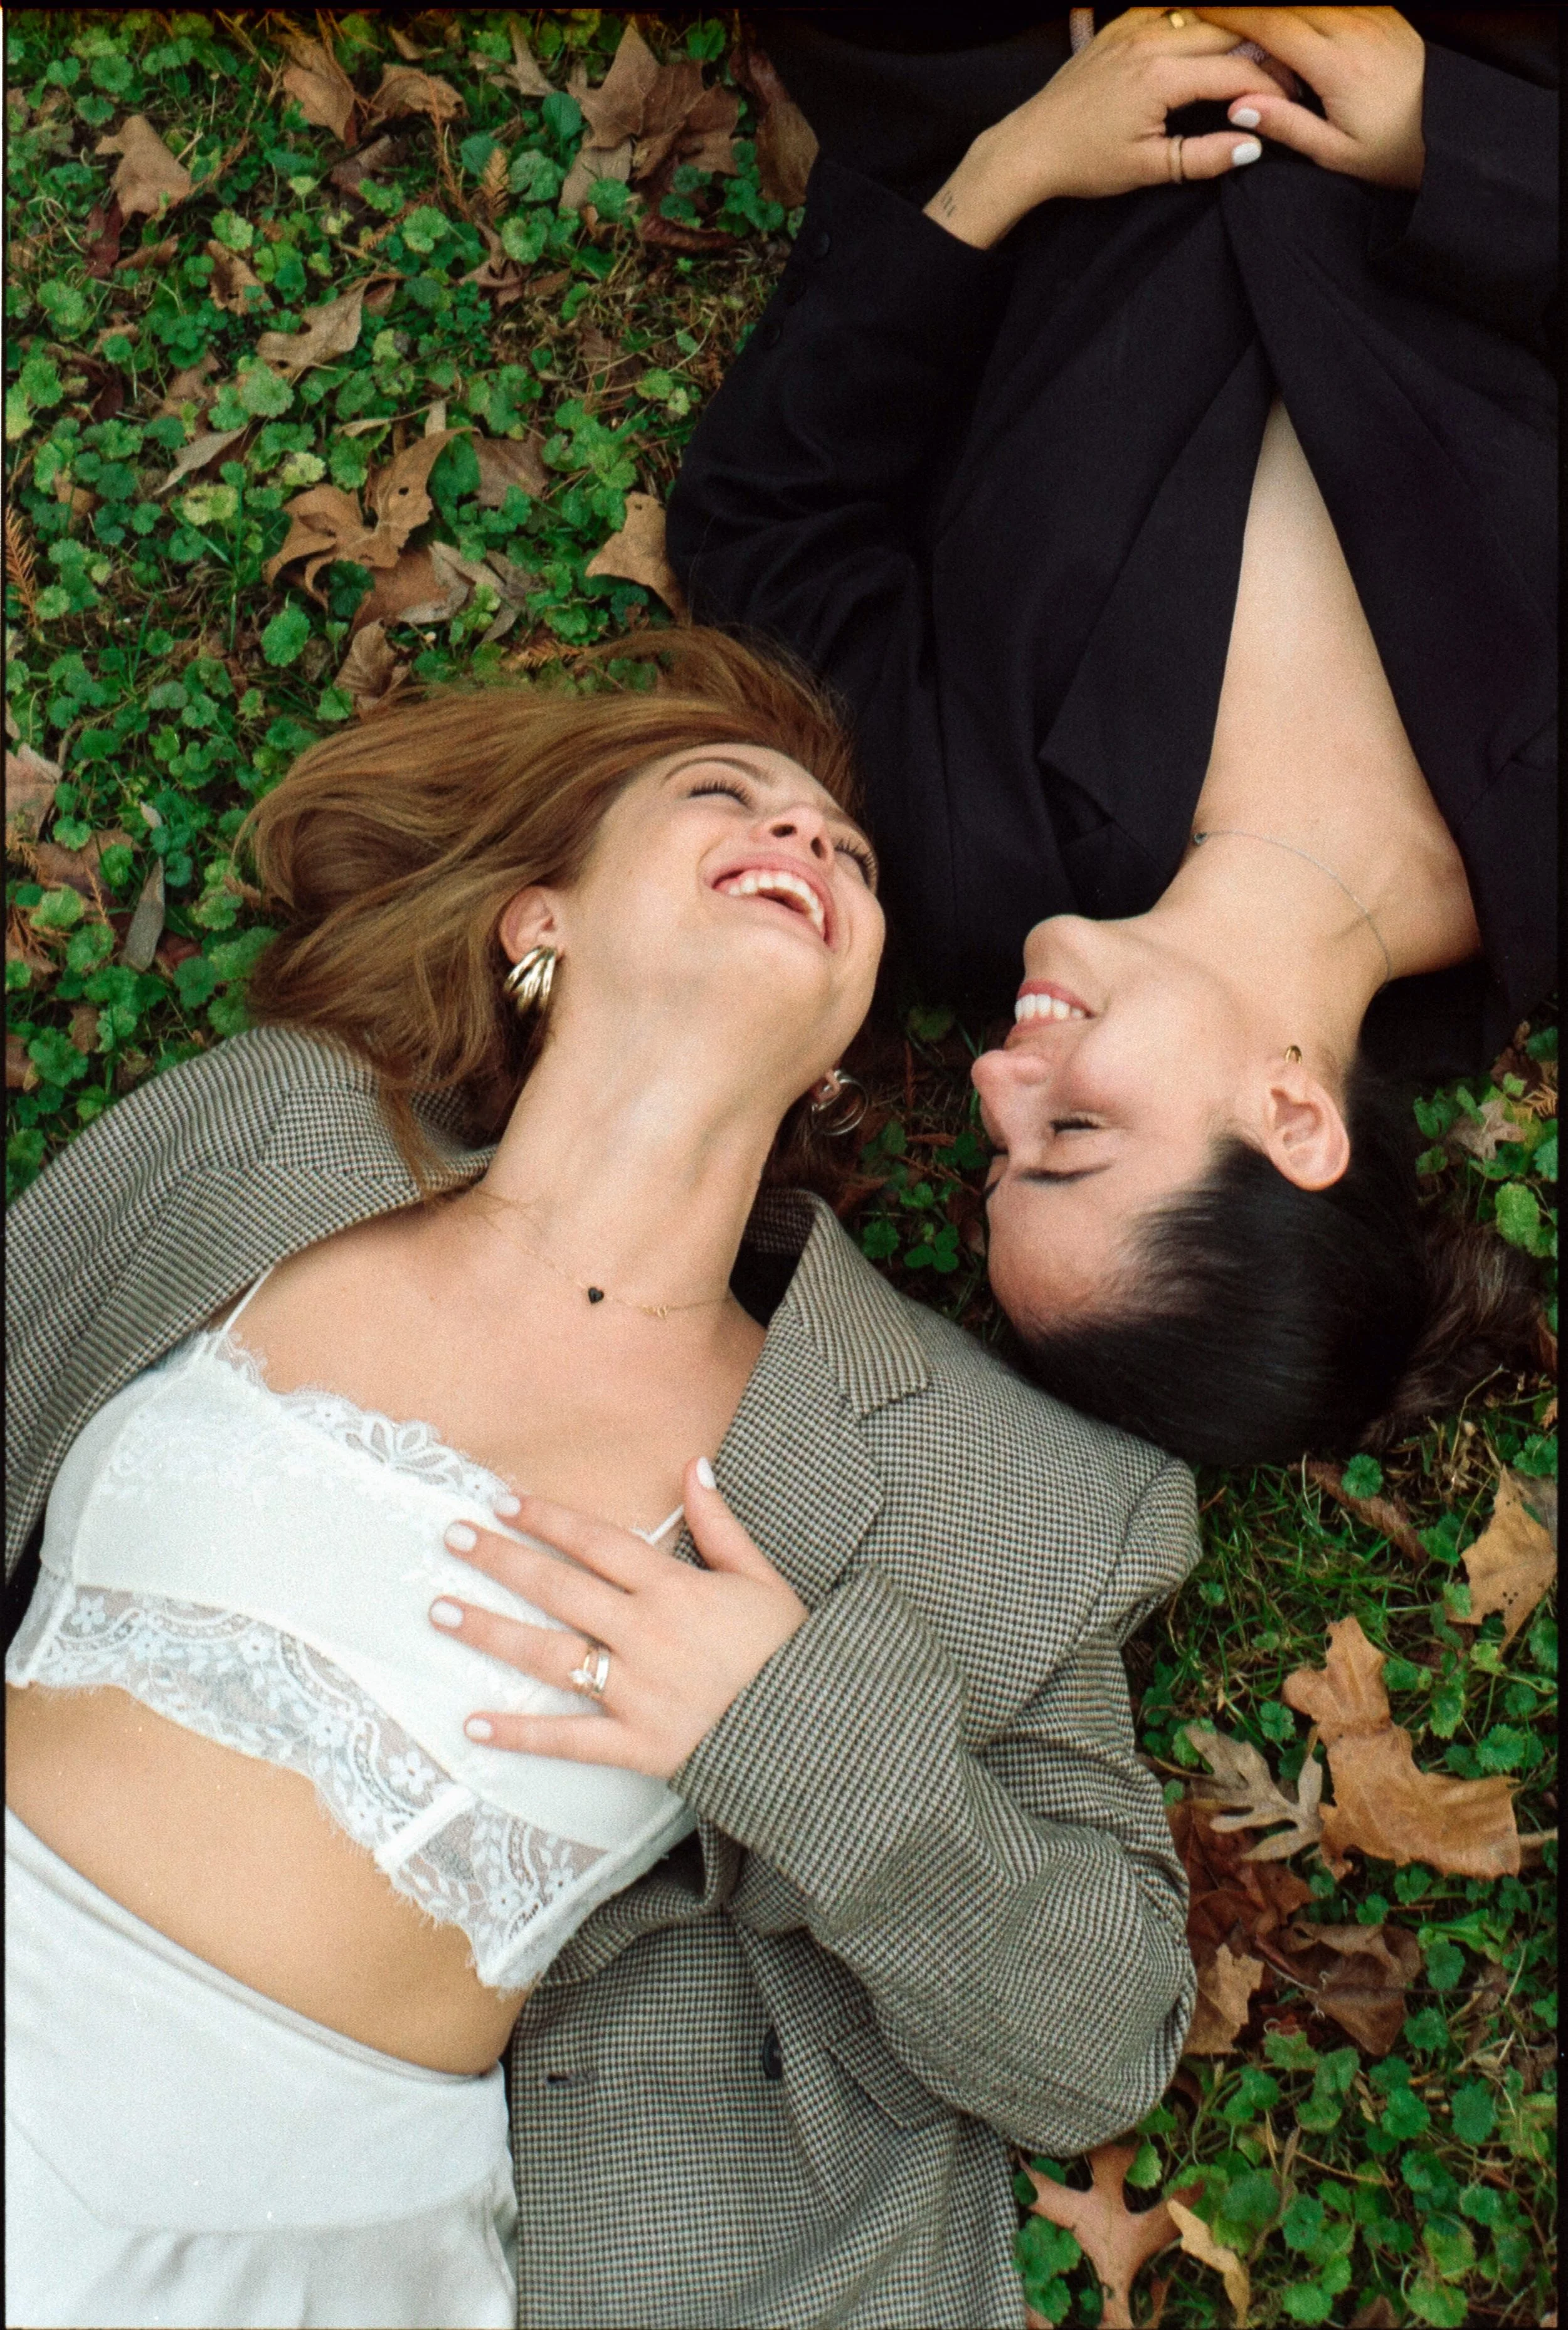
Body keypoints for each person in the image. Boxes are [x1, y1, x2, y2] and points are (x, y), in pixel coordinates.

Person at [5, 631, 1200, 2330]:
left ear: (843, 1045)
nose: (804, 842)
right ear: (537, 920)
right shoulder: (271, 1133)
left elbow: (1094, 2042)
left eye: (847, 862)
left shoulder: (961, 1474)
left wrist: (790, 1724)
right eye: (727, 799)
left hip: (267, 2243)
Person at [668, 5, 1555, 1466]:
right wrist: (1456, 141)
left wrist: (1007, 172)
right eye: (1069, 1141)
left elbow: (766, 526)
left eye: (994, 1156)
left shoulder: (965, 854)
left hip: (1028, 61)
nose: (997, 1086)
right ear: (1290, 1119)